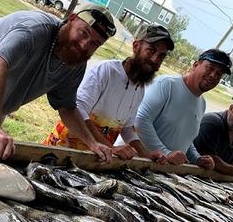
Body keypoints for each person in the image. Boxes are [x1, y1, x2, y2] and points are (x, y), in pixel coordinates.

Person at [0, 5, 117, 161]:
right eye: (84, 33)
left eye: (94, 43)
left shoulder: (75, 62)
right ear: (72, 19)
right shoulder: (34, 30)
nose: (85, 45)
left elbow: (66, 107)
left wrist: (92, 143)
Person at [43, 25, 174, 162]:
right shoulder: (106, 71)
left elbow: (127, 127)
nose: (155, 59)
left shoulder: (140, 89)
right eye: (150, 51)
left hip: (96, 159)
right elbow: (79, 109)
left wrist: (145, 154)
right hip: (63, 150)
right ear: (136, 46)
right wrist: (111, 147)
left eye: (161, 56)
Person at [135, 49, 232, 166]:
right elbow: (140, 120)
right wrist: (166, 153)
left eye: (219, 74)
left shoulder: (202, 103)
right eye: (210, 68)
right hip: (134, 162)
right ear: (196, 65)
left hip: (160, 171)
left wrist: (197, 158)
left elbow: (184, 138)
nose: (213, 76)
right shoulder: (166, 85)